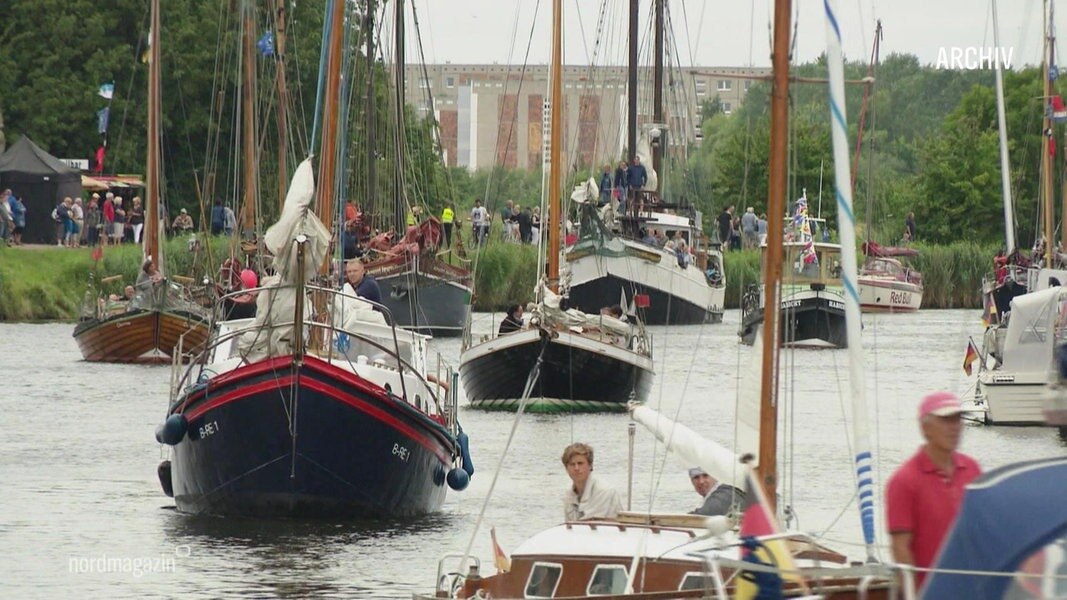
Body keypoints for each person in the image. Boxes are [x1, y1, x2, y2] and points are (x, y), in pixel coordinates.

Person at [886, 391, 981, 592]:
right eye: (946, 420)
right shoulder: (904, 481)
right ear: (925, 428)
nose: (954, 427)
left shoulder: (972, 470)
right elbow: (900, 548)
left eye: (957, 419)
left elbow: (983, 532)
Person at [561, 442, 621, 521]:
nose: (576, 468)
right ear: (566, 468)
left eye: (580, 463)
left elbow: (590, 524)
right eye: (572, 464)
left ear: (590, 465)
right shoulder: (569, 495)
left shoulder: (604, 491)